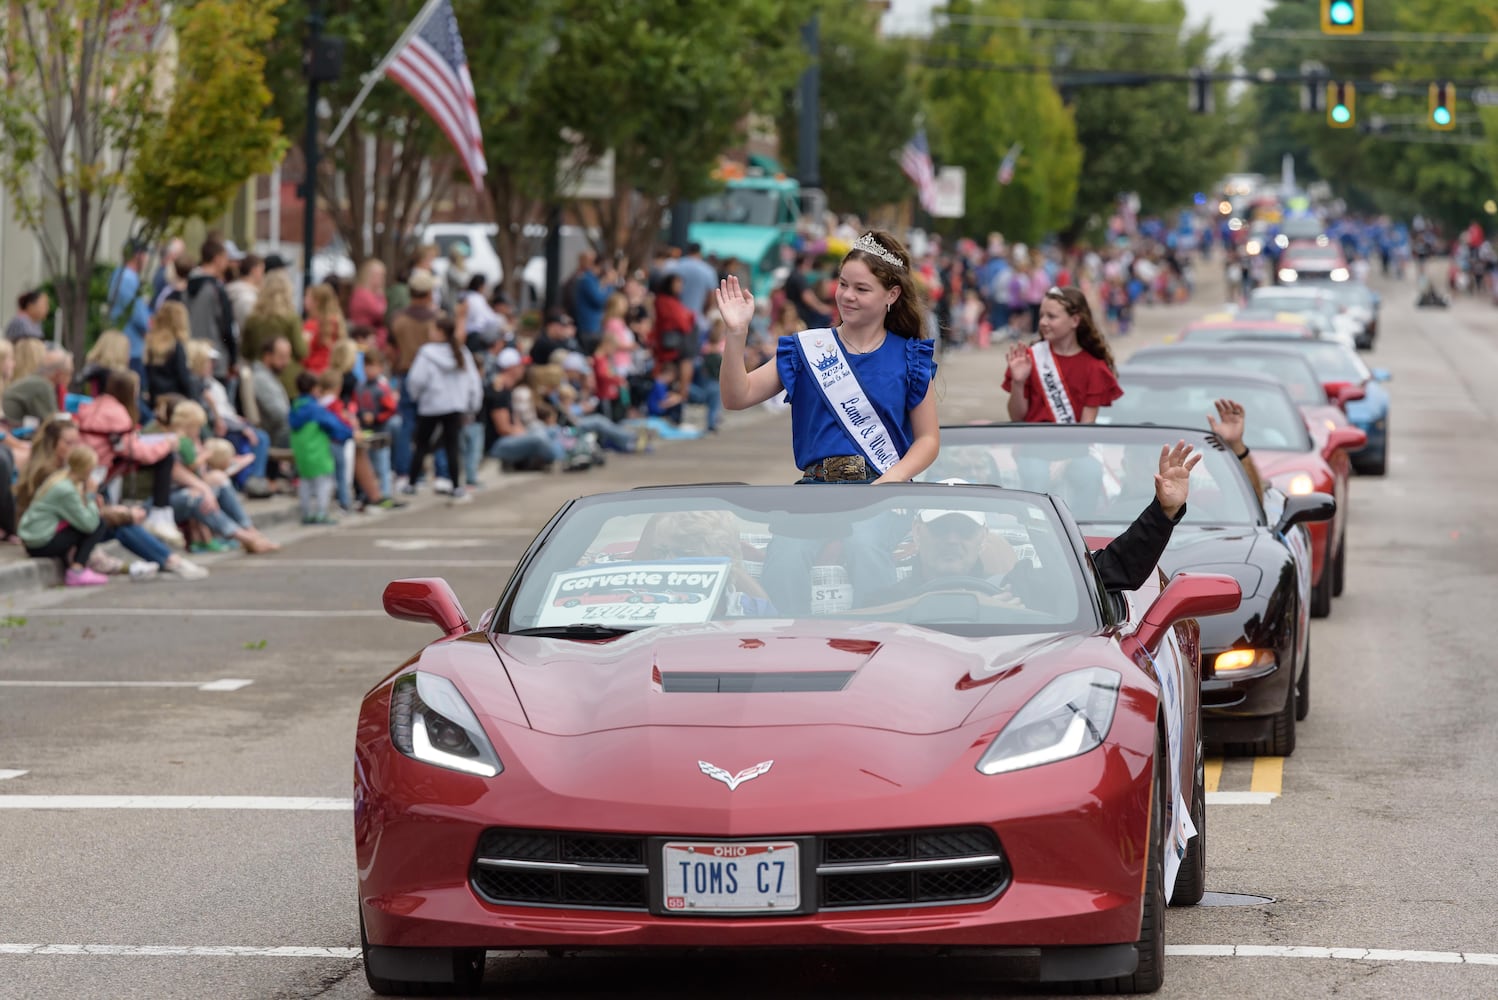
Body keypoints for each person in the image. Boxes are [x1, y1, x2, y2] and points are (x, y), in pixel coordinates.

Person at [863, 441, 1202, 609]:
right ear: (918, 533)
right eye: (941, 529)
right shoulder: (884, 599)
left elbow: (1114, 569)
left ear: (982, 536)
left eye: (963, 529)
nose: (952, 539)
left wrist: (1163, 511)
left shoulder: (1027, 585)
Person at [717, 230, 939, 484]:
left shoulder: (910, 357)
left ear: (892, 294)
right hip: (817, 497)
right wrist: (736, 333)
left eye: (862, 289)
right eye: (843, 284)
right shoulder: (807, 348)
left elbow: (928, 439)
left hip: (885, 496)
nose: (847, 295)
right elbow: (736, 397)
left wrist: (892, 479)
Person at [1004, 285, 1120, 425]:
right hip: (1031, 444)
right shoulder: (1029, 358)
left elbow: (1086, 428)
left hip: (1071, 445)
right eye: (1041, 316)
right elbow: (1016, 418)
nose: (1042, 322)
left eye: (1051, 316)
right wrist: (1018, 383)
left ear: (1075, 320)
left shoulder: (1094, 367)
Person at [404, 313, 482, 502]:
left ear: (440, 332)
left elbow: (415, 380)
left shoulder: (426, 353)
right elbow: (473, 381)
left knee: (421, 444)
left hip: (431, 405)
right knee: (452, 446)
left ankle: (412, 483)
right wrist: (472, 405)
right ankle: (456, 485)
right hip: (455, 405)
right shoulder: (461, 352)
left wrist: (416, 396)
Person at [17, 444, 112, 586]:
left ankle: (72, 563)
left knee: (83, 523)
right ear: (86, 468)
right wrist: (90, 496)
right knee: (99, 524)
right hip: (41, 543)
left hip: (33, 539)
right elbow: (89, 524)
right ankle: (77, 570)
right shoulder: (66, 489)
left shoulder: (59, 478)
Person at [289, 370, 352, 524]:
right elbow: (335, 425)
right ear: (313, 389)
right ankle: (321, 513)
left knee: (305, 483)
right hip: (319, 453)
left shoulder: (294, 408)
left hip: (302, 455)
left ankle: (307, 514)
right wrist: (349, 432)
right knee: (323, 484)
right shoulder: (315, 409)